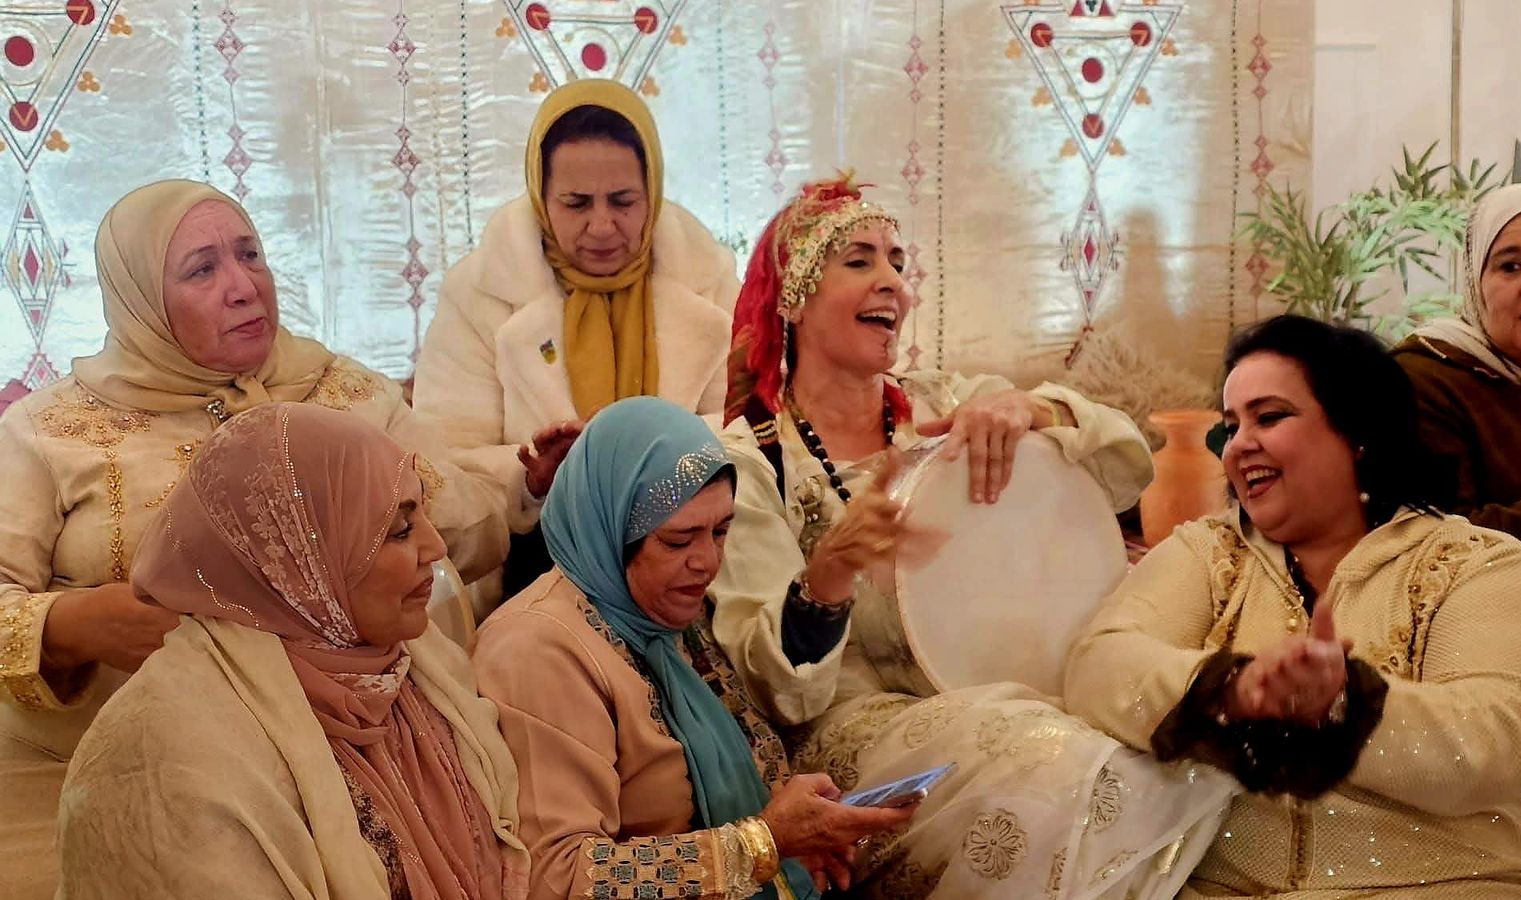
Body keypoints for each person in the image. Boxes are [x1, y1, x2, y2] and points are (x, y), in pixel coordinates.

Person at [711, 175, 1236, 897]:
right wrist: (827, 576)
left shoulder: (948, 404)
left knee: (1178, 747)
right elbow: (773, 695)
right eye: (859, 260)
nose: (892, 280)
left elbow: (1125, 467)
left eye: (898, 260)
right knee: (1059, 767)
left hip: (1023, 685)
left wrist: (1036, 410)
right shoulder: (755, 459)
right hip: (858, 726)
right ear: (793, 296)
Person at [0, 180, 509, 900]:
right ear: (140, 295)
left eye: (250, 255)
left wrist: (417, 503)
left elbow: (468, 531)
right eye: (202, 269)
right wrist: (71, 626)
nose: (243, 287)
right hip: (96, 769)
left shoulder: (345, 397)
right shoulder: (49, 432)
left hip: (349, 760)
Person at [1065, 315, 1521, 897]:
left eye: (1270, 416)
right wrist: (1232, 689)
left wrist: (1344, 704)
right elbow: (1096, 666)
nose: (1239, 444)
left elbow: (1504, 740)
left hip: (1445, 883)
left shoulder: (1471, 561)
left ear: (1357, 432)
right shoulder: (1209, 553)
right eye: (1232, 426)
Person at [57, 403, 529, 899]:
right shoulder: (170, 752)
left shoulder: (416, 666)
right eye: (400, 531)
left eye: (423, 518)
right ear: (303, 562)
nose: (435, 549)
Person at [473, 396, 909, 900]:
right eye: (679, 541)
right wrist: (762, 843)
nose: (707, 562)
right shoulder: (537, 650)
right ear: (609, 529)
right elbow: (558, 878)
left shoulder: (663, 621)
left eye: (720, 531)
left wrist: (792, 843)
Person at [413, 79, 740, 606]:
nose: (602, 225)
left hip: (696, 571)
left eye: (623, 201)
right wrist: (531, 480)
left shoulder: (711, 282)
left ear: (652, 191)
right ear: (541, 197)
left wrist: (642, 461)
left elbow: (749, 430)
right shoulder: (480, 294)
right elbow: (442, 467)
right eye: (576, 203)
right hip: (536, 577)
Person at [1393, 183, 1521, 892]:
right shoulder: (1425, 383)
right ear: (1475, 283)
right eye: (1509, 265)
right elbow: (1431, 549)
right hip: (1510, 704)